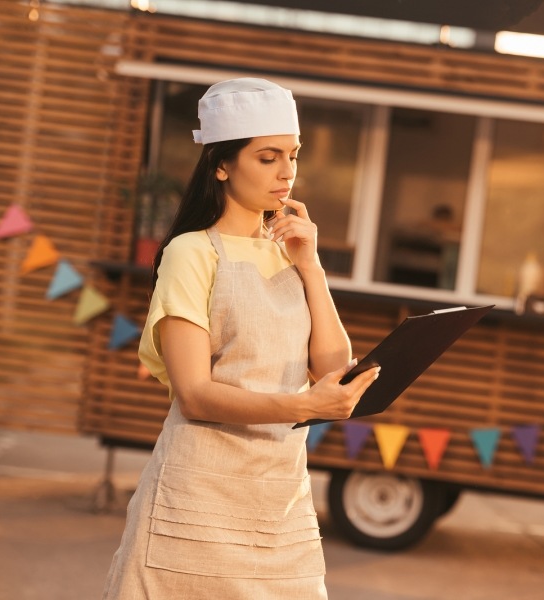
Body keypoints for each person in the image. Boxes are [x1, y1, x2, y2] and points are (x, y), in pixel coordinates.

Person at [102, 78, 379, 599]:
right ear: (222, 164)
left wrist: (311, 264)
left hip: (279, 496)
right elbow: (195, 394)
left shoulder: (289, 251)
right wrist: (305, 405)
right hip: (197, 494)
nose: (286, 172)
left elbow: (330, 364)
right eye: (268, 157)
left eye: (292, 155)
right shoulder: (191, 253)